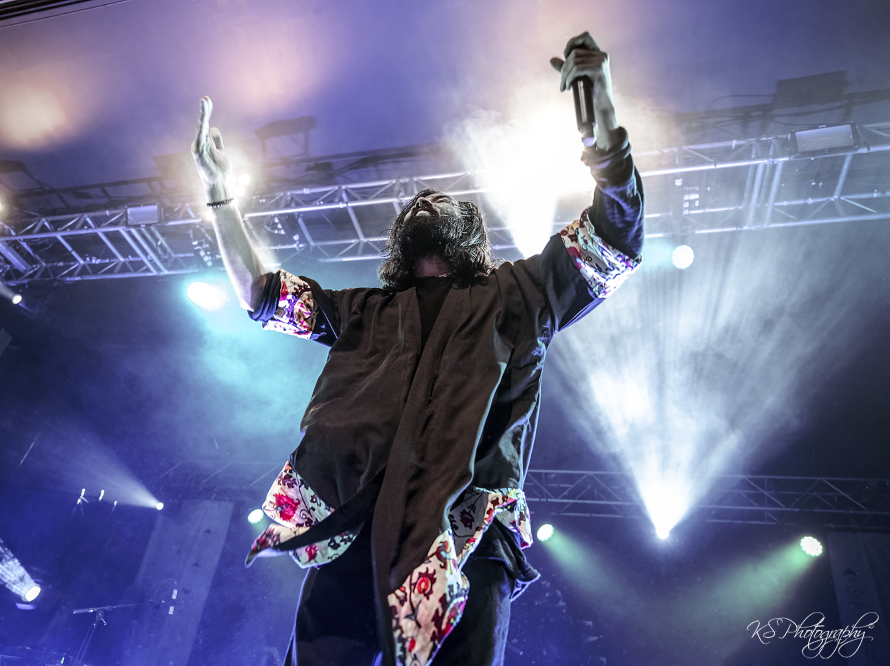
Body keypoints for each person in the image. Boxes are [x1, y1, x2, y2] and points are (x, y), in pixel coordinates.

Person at [192, 32, 643, 666]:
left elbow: (615, 236)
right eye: (418, 203)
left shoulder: (518, 293)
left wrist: (604, 118)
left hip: (466, 533)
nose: (429, 200)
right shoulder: (365, 310)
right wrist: (220, 197)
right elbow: (262, 296)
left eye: (445, 200)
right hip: (354, 524)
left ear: (472, 235)